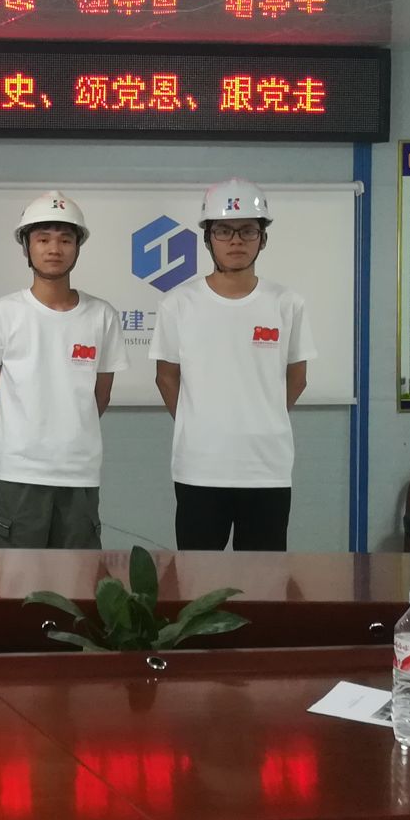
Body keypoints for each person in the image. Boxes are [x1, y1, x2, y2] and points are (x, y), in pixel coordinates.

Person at [154, 179, 315, 551]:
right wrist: (201, 423)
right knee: (197, 578)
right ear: (208, 238)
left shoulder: (287, 303)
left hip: (267, 468)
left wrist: (262, 416)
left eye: (247, 231)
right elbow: (166, 377)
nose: (236, 241)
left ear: (263, 238)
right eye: (224, 231)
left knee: (263, 579)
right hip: (199, 466)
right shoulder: (178, 303)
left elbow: (298, 377)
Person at [0, 191, 125, 549]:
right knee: (16, 574)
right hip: (18, 472)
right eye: (43, 239)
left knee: (79, 574)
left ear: (78, 247)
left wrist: (68, 437)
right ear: (26, 247)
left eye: (65, 239)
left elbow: (100, 395)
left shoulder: (102, 315)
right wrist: (16, 443)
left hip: (79, 471)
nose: (54, 249)